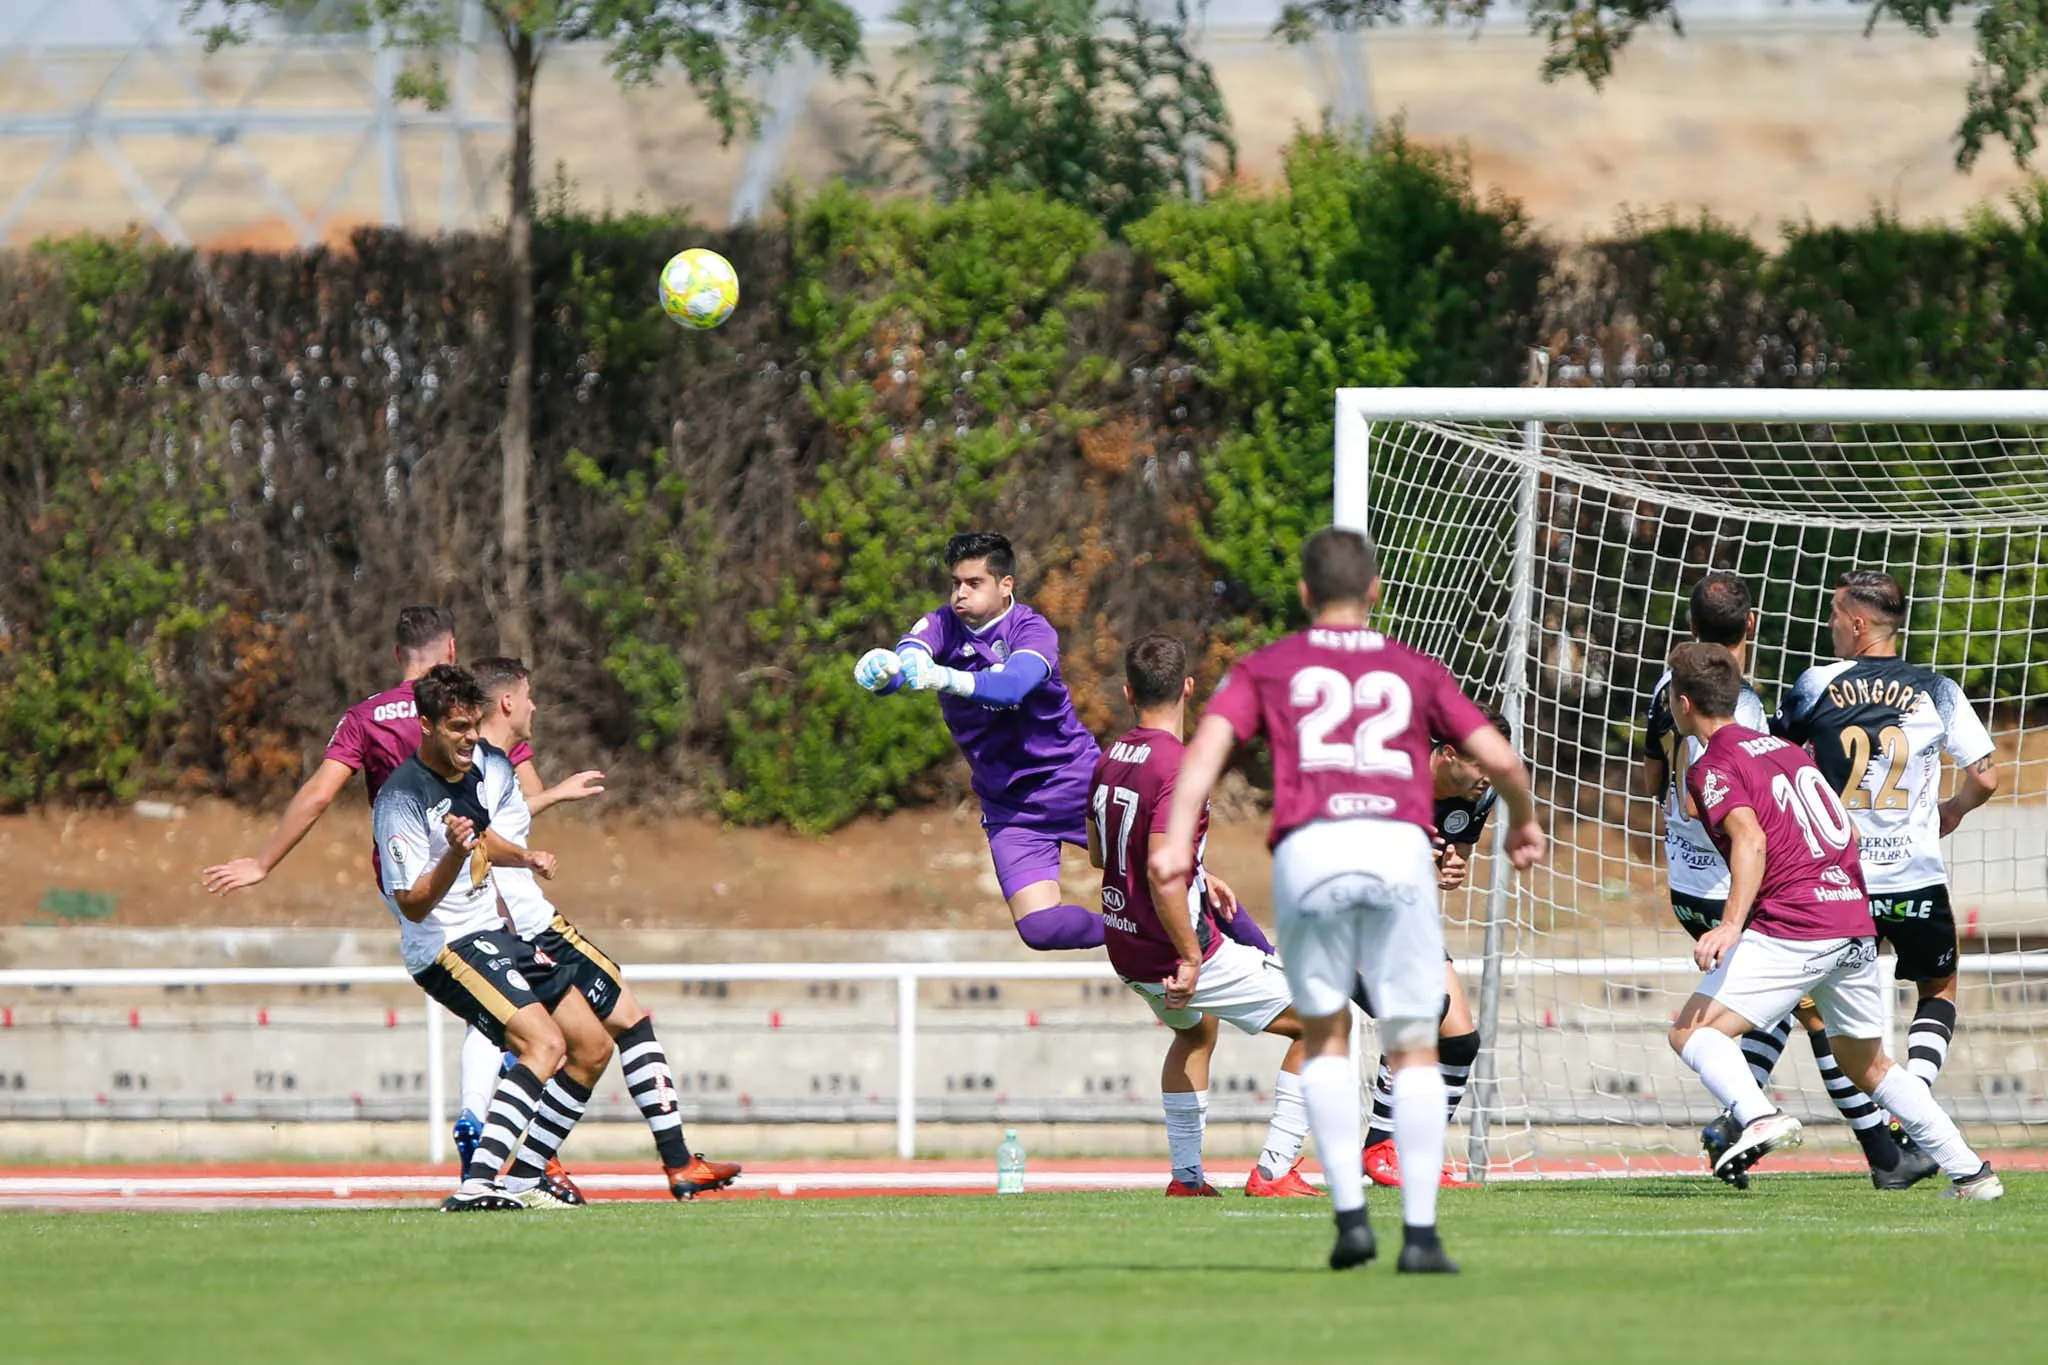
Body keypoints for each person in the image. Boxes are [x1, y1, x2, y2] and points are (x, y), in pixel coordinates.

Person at [1153, 527, 1544, 1274]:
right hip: (1394, 849)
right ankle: (1422, 1234)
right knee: (1416, 1037)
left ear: (1304, 594)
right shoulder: (1412, 668)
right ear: (1373, 594)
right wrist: (1523, 819)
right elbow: (1497, 754)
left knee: (1328, 1033)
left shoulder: (1269, 665)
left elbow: (1206, 750)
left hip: (1313, 852)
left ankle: (1350, 1220)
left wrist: (1175, 840)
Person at [1662, 642, 2001, 1200]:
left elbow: (1749, 839)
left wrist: (1730, 924)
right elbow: (1847, 831)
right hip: (1851, 917)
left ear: (1683, 703)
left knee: (1690, 1032)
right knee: (1866, 1062)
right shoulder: (1788, 753)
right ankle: (1971, 1173)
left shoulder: (1714, 762)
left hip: (1798, 923)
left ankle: (1755, 1115)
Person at [1642, 572, 1929, 1188]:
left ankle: (1743, 1124)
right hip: (1732, 884)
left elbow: (1654, 780)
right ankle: (1869, 1150)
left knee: (1779, 1014)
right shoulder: (1733, 700)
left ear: (1691, 626)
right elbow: (1719, 801)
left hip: (1685, 877)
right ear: (1752, 626)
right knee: (1818, 1017)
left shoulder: (1669, 684)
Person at [468, 657, 742, 1200]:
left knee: (591, 1050)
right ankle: (677, 1163)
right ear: (505, 702)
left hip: (524, 923)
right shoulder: (480, 763)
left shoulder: (493, 763)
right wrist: (520, 864)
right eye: (527, 695)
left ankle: (528, 1178)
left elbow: (490, 824)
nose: (533, 706)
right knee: (625, 1021)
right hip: (530, 928)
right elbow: (475, 837)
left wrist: (550, 800)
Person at [371, 665, 614, 1211]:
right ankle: (477, 1183)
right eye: (458, 727)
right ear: (427, 725)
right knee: (543, 1044)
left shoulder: (478, 772)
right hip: (443, 947)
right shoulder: (401, 799)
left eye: (476, 725)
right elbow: (412, 903)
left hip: (493, 934)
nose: (472, 738)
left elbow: (484, 838)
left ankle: (526, 1177)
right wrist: (456, 855)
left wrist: (523, 855)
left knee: (593, 1047)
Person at [1088, 633, 1318, 1200]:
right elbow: (1161, 871)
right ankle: (1274, 1171)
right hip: (1177, 948)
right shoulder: (1178, 765)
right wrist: (1191, 957)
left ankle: (1187, 1179)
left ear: (1128, 692)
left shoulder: (1110, 758)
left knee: (1195, 1032)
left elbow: (1102, 854)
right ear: (1189, 687)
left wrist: (1196, 868)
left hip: (1125, 945)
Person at [1773, 571, 2000, 1098]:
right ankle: (1914, 1102)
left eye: (1833, 614)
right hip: (1913, 876)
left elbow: (1775, 758)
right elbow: (1985, 776)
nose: (1829, 624)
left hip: (1841, 881)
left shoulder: (1816, 683)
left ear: (1857, 623)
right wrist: (1953, 810)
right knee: (1938, 990)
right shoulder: (1938, 689)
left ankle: (1865, 1127)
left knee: (1821, 1006)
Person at [852, 532, 1107, 951]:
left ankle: (1248, 949)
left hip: (1071, 781)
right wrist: (884, 673)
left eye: (974, 583)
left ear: (1005, 585)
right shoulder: (942, 624)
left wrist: (943, 676)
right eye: (956, 583)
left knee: (1166, 875)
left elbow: (1011, 687)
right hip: (1009, 804)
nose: (960, 594)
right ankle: (1134, 935)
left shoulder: (1031, 629)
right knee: (1040, 929)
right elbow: (912, 659)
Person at [1359, 709, 1513, 1190]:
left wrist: (1450, 870)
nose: (1489, 777)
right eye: (1481, 765)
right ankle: (1381, 1148)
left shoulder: (1482, 791)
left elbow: (1453, 860)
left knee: (1461, 1041)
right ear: (1447, 754)